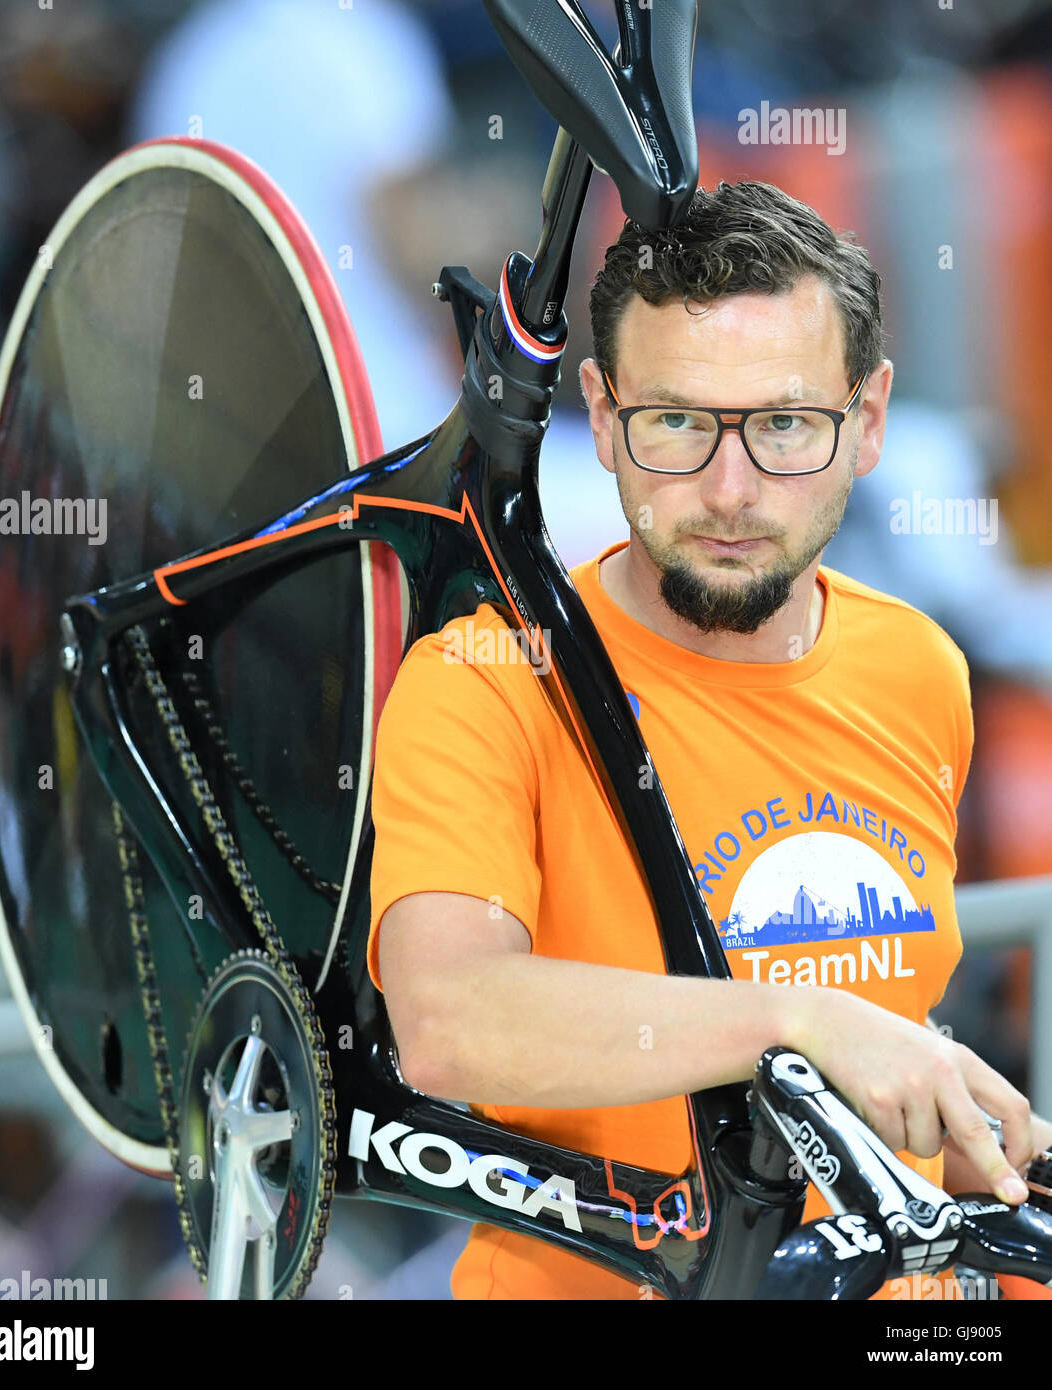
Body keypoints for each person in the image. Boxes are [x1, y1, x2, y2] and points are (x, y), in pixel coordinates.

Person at [366, 180, 1052, 1300]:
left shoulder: (917, 667)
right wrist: (801, 1023)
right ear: (598, 415)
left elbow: (897, 1022)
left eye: (784, 424)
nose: (728, 491)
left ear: (867, 419)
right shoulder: (484, 681)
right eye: (676, 422)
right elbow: (447, 1019)